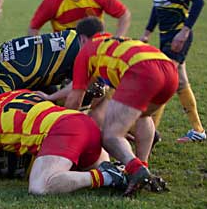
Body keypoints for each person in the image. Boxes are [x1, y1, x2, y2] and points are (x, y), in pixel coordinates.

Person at [64, 17, 178, 196]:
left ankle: (136, 169)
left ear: (82, 39)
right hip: (169, 70)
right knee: (142, 115)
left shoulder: (86, 51)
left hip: (142, 72)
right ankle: (142, 165)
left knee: (110, 136)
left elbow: (75, 97)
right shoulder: (116, 41)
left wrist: (66, 126)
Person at [0, 89, 126, 195]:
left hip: (63, 130)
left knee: (40, 186)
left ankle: (107, 176)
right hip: (82, 121)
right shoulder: (17, 93)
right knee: (98, 170)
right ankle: (124, 172)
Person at [140, 0, 207, 143]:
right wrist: (147, 32)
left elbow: (198, 2)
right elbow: (157, 5)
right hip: (164, 36)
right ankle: (198, 130)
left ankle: (150, 134)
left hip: (179, 34)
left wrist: (184, 31)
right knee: (179, 83)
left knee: (162, 82)